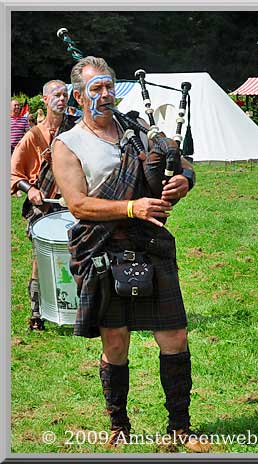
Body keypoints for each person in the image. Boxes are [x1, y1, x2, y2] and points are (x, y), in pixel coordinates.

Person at [52, 56, 208, 452]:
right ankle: (119, 425)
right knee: (115, 342)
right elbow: (78, 205)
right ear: (77, 95)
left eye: (109, 86)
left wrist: (183, 182)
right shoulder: (68, 144)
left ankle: (180, 428)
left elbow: (181, 162)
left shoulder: (138, 128)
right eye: (96, 88)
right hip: (105, 248)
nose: (105, 95)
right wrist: (131, 207)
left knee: (174, 335)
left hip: (150, 244)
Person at [11, 80, 75, 331]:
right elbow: (13, 173)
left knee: (81, 253)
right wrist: (31, 190)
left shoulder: (77, 129)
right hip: (45, 205)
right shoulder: (33, 136)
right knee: (41, 258)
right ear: (45, 100)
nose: (62, 99)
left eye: (65, 95)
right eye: (57, 95)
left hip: (73, 200)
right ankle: (36, 311)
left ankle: (80, 307)